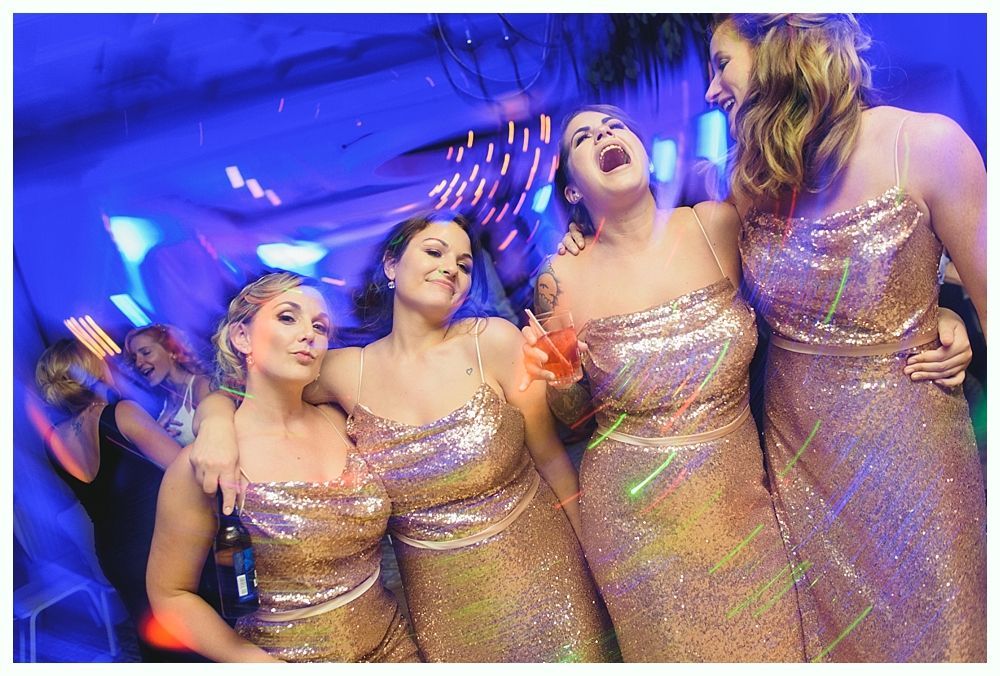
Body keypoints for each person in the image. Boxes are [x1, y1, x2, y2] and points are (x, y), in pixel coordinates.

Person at [190, 212, 615, 662]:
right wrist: (215, 421)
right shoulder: (343, 372)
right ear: (391, 266)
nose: (451, 267)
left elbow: (552, 461)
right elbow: (253, 387)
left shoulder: (493, 341)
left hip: (548, 575)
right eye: (434, 252)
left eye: (465, 264)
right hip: (445, 610)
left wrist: (599, 563)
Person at [702, 14, 986, 662]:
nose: (713, 90)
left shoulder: (929, 145)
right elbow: (720, 311)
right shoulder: (751, 182)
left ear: (775, 42)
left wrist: (949, 315)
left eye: (720, 63)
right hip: (799, 460)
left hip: (914, 457)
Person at [517, 104, 811, 662]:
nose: (604, 134)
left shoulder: (714, 225)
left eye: (614, 126)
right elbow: (575, 416)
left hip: (739, 502)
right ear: (573, 190)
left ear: (645, 153)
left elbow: (807, 297)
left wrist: (937, 311)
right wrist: (562, 381)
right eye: (583, 138)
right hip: (637, 524)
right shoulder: (560, 279)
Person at [146, 272, 420, 663]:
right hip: (286, 658)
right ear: (242, 338)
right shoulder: (206, 463)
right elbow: (170, 596)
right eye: (288, 318)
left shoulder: (345, 422)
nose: (309, 333)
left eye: (320, 326)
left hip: (395, 646)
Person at [34, 339, 199, 661]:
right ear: (91, 370)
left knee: (155, 639)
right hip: (158, 547)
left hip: (112, 554)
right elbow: (183, 469)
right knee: (195, 637)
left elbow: (113, 481)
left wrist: (148, 432)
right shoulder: (122, 412)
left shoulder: (53, 439)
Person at [124, 324, 213, 446]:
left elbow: (218, 441)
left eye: (146, 353)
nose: (138, 363)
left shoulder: (201, 386)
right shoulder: (166, 403)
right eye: (134, 359)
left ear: (171, 351)